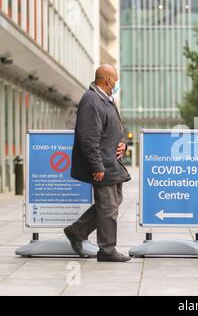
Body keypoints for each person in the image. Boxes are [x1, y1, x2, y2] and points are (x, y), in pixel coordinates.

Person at [64, 65, 132, 262]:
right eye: (116, 79)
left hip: (112, 162)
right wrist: (97, 166)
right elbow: (87, 138)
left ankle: (77, 230)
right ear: (107, 80)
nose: (117, 83)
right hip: (103, 164)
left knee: (113, 203)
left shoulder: (107, 100)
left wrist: (123, 143)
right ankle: (107, 250)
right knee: (109, 206)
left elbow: (118, 128)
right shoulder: (91, 100)